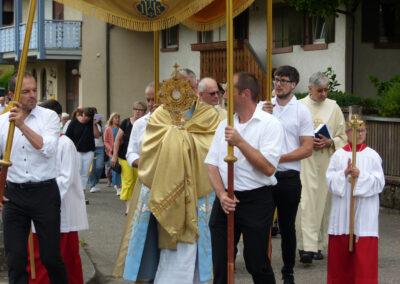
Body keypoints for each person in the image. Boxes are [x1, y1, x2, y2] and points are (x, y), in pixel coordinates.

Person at [114, 67, 220, 283]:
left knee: (194, 245)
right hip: (162, 187)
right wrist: (179, 136)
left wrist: (182, 138)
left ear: (196, 87)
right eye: (181, 86)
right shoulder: (160, 115)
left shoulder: (209, 115)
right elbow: (149, 149)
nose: (186, 91)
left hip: (197, 190)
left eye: (190, 86)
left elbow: (212, 149)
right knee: (157, 241)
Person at [205, 72, 284, 284]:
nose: (224, 95)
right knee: (221, 262)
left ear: (245, 94)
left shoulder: (269, 124)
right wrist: (221, 195)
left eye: (229, 90)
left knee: (256, 262)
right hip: (225, 201)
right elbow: (212, 164)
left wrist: (240, 142)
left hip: (256, 200)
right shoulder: (225, 124)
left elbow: (268, 167)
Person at [0, 72, 68, 283]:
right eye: (26, 91)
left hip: (44, 193)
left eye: (35, 90)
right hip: (14, 195)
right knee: (15, 258)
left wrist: (21, 124)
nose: (32, 95)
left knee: (50, 257)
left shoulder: (48, 117)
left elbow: (47, 149)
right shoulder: (2, 122)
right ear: (12, 95)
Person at [260, 65, 314, 284]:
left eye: (283, 80)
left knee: (287, 227)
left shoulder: (301, 110)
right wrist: (262, 117)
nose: (278, 84)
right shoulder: (264, 107)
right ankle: (262, 270)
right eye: (276, 79)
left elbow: (307, 148)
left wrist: (278, 158)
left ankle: (288, 271)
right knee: (261, 225)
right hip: (264, 177)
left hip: (288, 177)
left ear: (293, 84)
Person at [27, 99, 89, 284]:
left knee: (63, 258)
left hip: (60, 212)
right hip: (38, 209)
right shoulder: (36, 141)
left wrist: (43, 201)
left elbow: (65, 179)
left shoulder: (65, 144)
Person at [296, 72, 347, 264]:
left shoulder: (334, 107)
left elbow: (343, 136)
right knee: (305, 203)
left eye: (326, 90)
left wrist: (330, 141)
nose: (324, 94)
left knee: (324, 203)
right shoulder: (299, 106)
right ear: (310, 89)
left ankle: (318, 245)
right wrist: (307, 141)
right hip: (304, 161)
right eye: (320, 90)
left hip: (326, 161)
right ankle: (305, 248)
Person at [326, 121, 384, 284]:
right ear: (347, 133)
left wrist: (360, 176)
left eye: (362, 131)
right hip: (342, 215)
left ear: (366, 132)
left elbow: (379, 183)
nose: (359, 134)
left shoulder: (373, 155)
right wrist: (344, 174)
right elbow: (330, 182)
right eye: (355, 131)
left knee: (363, 267)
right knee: (340, 266)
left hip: (364, 215)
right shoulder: (338, 155)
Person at [111, 102, 146, 214]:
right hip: (125, 157)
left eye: (140, 110)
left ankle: (136, 205)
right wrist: (114, 156)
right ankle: (128, 208)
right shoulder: (126, 122)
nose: (137, 111)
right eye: (135, 109)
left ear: (144, 112)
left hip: (140, 158)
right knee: (128, 181)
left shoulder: (146, 123)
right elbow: (117, 140)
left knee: (137, 182)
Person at [66, 107, 101, 192]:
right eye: (85, 116)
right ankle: (75, 191)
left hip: (89, 150)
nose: (86, 119)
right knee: (77, 171)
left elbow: (97, 136)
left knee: (85, 173)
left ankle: (83, 192)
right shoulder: (74, 122)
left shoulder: (90, 123)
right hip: (76, 150)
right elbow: (67, 136)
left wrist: (94, 124)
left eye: (88, 117)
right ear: (81, 114)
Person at [104, 112, 122, 193]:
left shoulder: (121, 128)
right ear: (112, 119)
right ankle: (118, 187)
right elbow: (106, 141)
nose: (117, 119)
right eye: (115, 118)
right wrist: (110, 148)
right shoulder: (108, 129)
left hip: (121, 151)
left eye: (118, 118)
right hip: (112, 152)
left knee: (121, 168)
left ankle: (118, 185)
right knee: (115, 168)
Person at [89, 108, 105, 193]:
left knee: (100, 166)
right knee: (92, 168)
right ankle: (92, 185)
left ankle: (95, 181)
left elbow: (101, 135)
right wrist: (93, 124)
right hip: (91, 147)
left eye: (96, 113)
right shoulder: (87, 123)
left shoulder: (100, 123)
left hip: (100, 147)